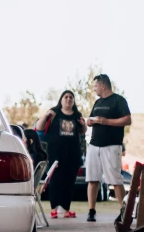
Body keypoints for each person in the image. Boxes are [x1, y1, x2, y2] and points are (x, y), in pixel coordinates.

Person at [86, 74, 131, 223]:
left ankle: (124, 211)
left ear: (103, 85)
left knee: (116, 180)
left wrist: (106, 121)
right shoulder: (97, 102)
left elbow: (127, 119)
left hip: (111, 146)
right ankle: (91, 211)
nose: (94, 89)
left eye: (96, 86)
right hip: (94, 145)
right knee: (92, 179)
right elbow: (92, 118)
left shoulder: (119, 100)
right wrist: (90, 122)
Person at [36, 90, 85, 219]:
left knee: (69, 182)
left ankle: (65, 210)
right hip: (56, 153)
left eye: (71, 97)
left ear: (73, 101)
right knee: (55, 181)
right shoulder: (54, 113)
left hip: (73, 154)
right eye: (66, 97)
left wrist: (84, 125)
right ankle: (54, 209)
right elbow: (39, 128)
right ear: (61, 100)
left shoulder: (77, 115)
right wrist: (46, 116)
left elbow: (82, 132)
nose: (68, 99)